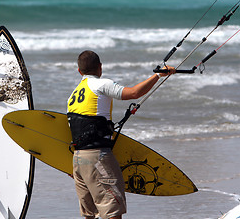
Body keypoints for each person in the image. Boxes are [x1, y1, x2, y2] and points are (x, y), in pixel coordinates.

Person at [67, 50, 175, 219]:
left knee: (90, 215)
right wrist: (158, 76)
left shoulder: (72, 96)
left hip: (78, 160)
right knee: (112, 211)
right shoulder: (101, 84)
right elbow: (133, 93)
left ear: (79, 71)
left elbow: (72, 129)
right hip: (97, 158)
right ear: (100, 67)